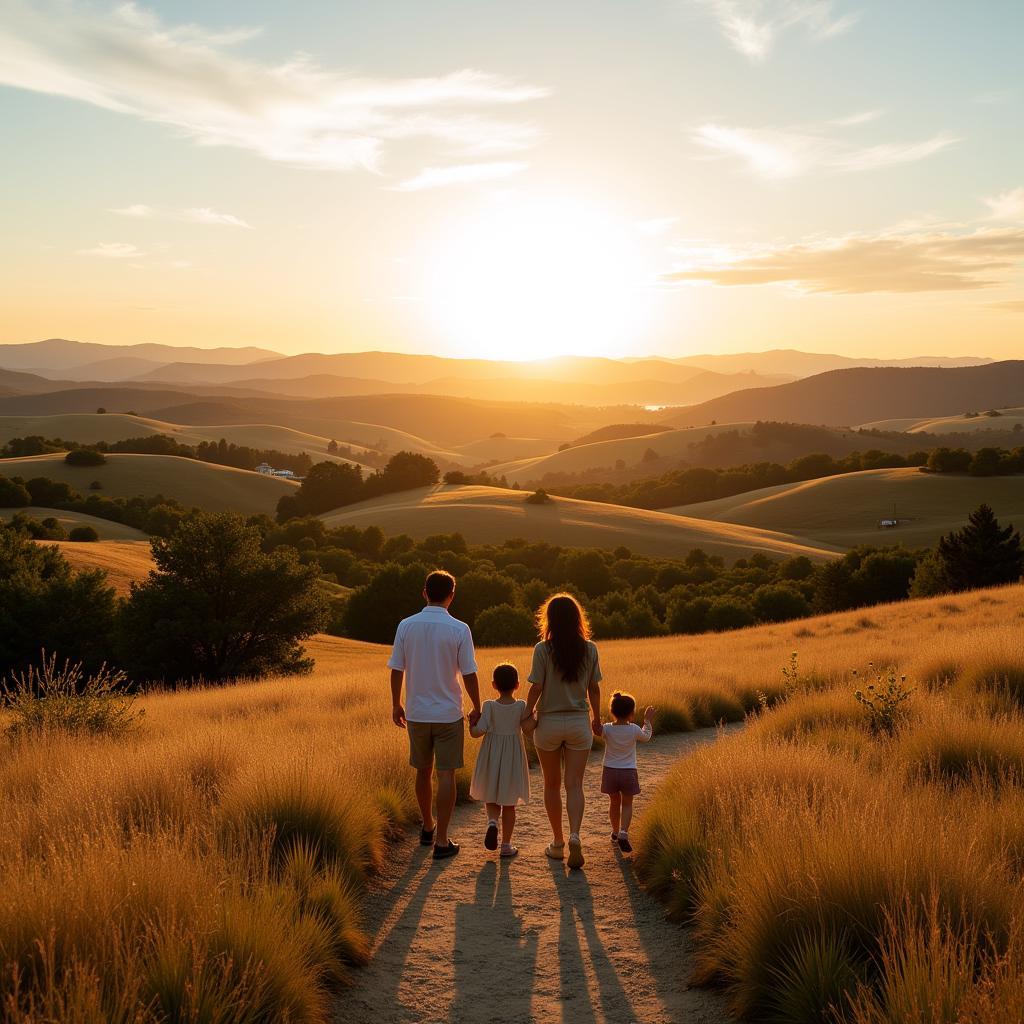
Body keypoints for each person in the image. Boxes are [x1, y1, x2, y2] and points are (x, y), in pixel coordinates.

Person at [389, 570, 481, 861]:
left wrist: (396, 704)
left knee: (422, 771)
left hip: (416, 712)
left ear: (424, 592)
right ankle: (442, 840)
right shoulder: (459, 628)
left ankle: (427, 826)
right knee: (446, 775)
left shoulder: (406, 625)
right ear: (452, 595)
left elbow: (397, 668)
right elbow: (468, 673)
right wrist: (477, 706)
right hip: (448, 713)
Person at [524, 593, 602, 870]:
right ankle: (575, 835)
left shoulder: (542, 650)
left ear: (550, 620)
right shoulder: (590, 649)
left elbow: (536, 687)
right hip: (580, 723)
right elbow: (594, 687)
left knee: (551, 785)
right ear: (577, 618)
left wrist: (526, 714)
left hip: (548, 724)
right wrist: (597, 718)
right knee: (575, 785)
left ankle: (557, 843)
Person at [468, 662, 532, 859]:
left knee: (492, 794)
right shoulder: (521, 705)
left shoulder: (488, 706)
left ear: (494, 685)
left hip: (492, 755)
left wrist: (471, 723)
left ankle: (492, 823)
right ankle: (506, 845)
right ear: (518, 685)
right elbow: (529, 728)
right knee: (509, 802)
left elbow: (478, 732)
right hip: (512, 756)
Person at [600, 691, 654, 854]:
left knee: (614, 802)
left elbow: (597, 730)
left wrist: (594, 720)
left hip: (610, 770)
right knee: (627, 803)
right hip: (628, 771)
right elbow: (646, 737)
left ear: (612, 711)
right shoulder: (634, 729)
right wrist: (647, 721)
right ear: (631, 713)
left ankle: (615, 832)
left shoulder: (607, 729)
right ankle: (624, 832)